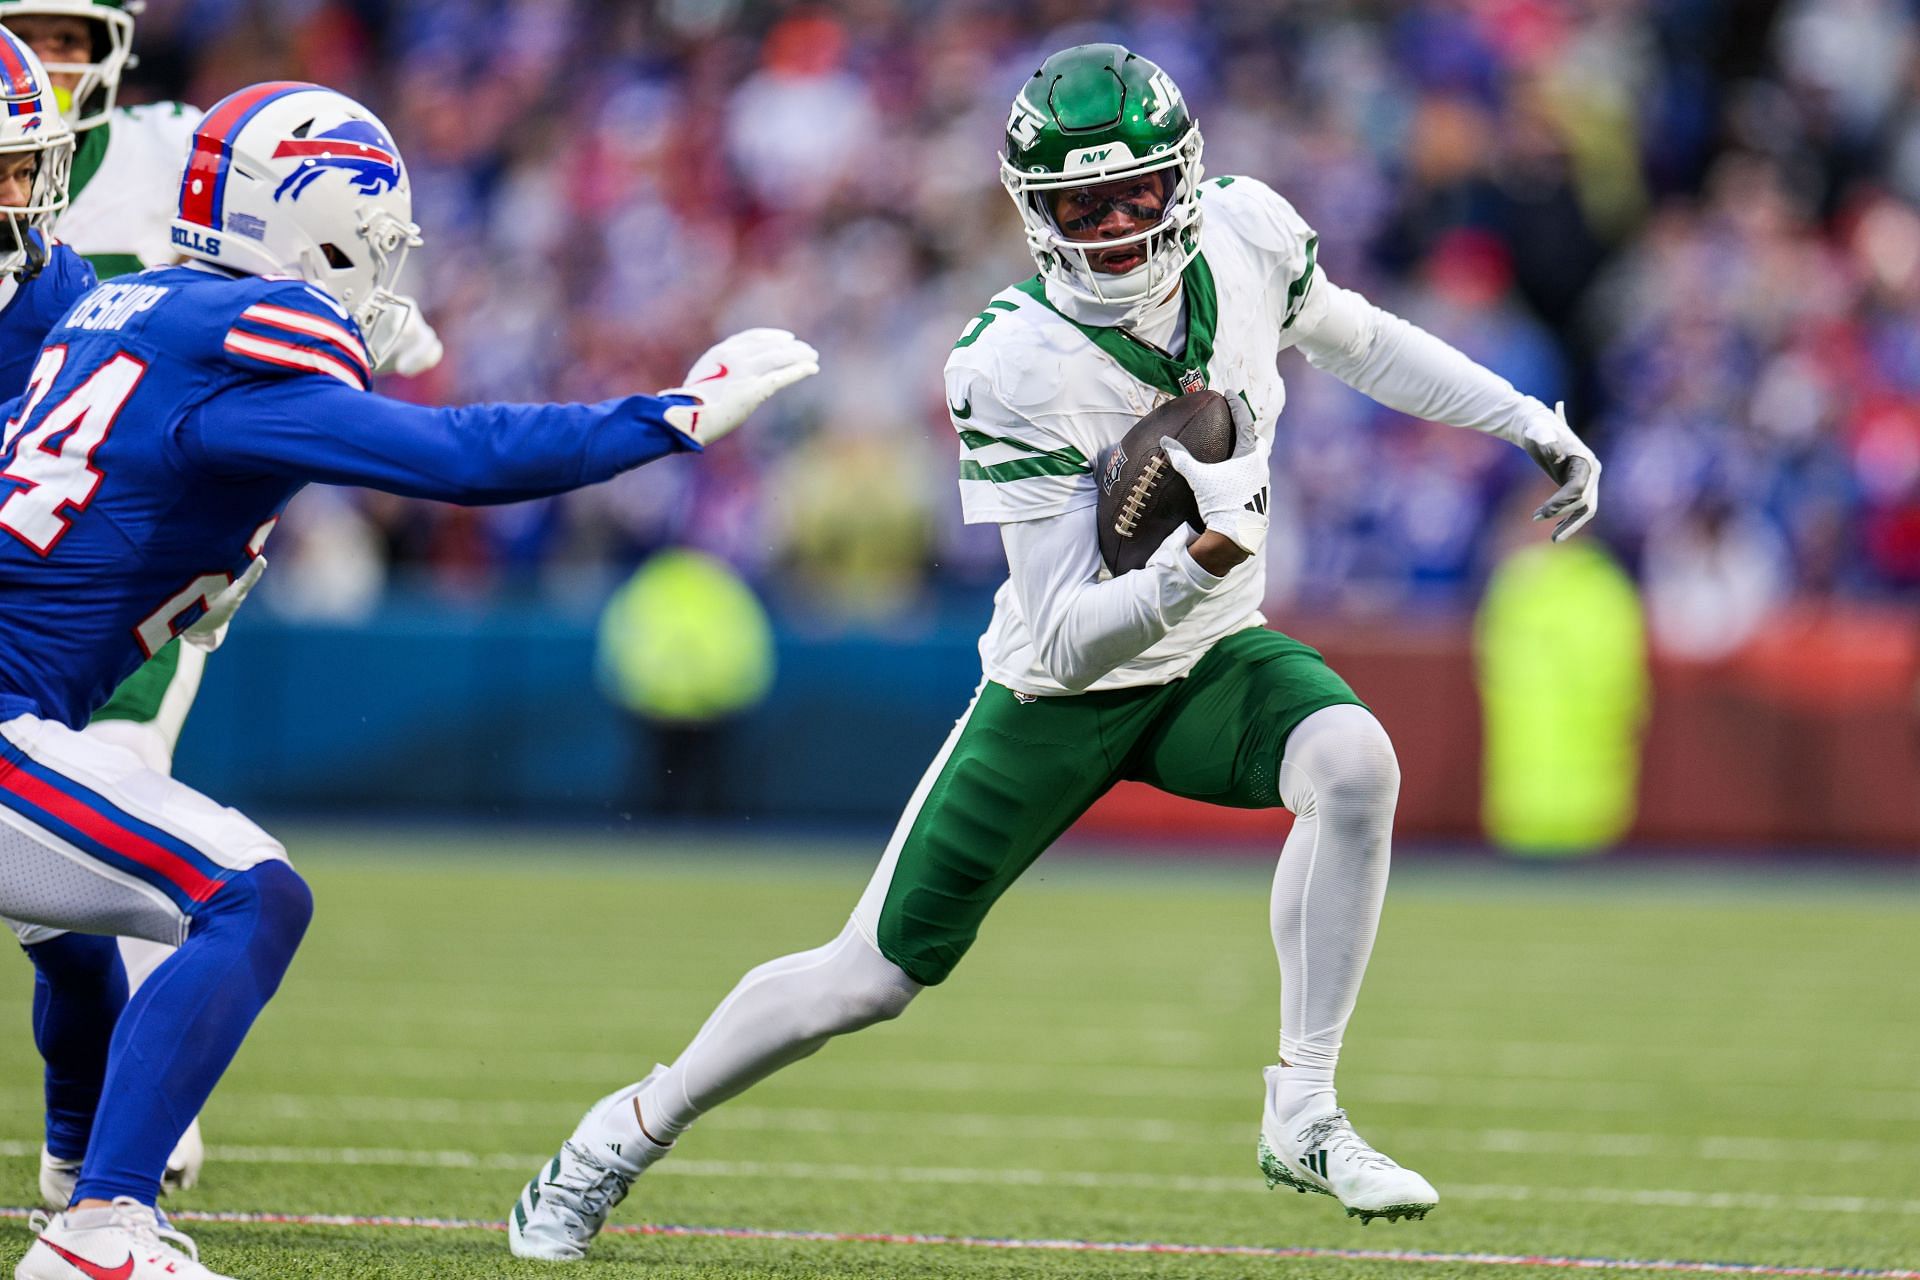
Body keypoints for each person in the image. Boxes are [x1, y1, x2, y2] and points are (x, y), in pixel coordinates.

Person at [508, 43, 1599, 1261]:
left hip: (1207, 656)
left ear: (1186, 179)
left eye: (1139, 194)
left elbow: (1355, 334)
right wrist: (1200, 554)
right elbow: (1072, 637)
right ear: (1036, 212)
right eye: (1086, 205)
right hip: (1055, 689)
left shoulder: (1246, 236)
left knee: (1354, 761)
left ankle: (1305, 1102)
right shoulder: (1008, 359)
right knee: (864, 976)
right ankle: (615, 1137)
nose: (1121, 228)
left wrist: (1526, 420)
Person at [4, 80, 816, 1280]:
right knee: (249, 895)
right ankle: (102, 1232)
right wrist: (671, 416)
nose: (381, 273)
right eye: (372, 243)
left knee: (73, 933)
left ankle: (81, 1164)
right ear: (313, 227)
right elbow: (454, 458)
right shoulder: (235, 351)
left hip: (30, 711)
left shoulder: (114, 307)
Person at [0, 0, 445, 1207]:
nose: (55, 63)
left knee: (119, 844)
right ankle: (100, 1164)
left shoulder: (175, 151)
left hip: (132, 549)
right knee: (88, 901)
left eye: (75, 38)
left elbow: (301, 222)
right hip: (40, 553)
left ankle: (105, 1161)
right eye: (29, 34)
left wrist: (333, 317)